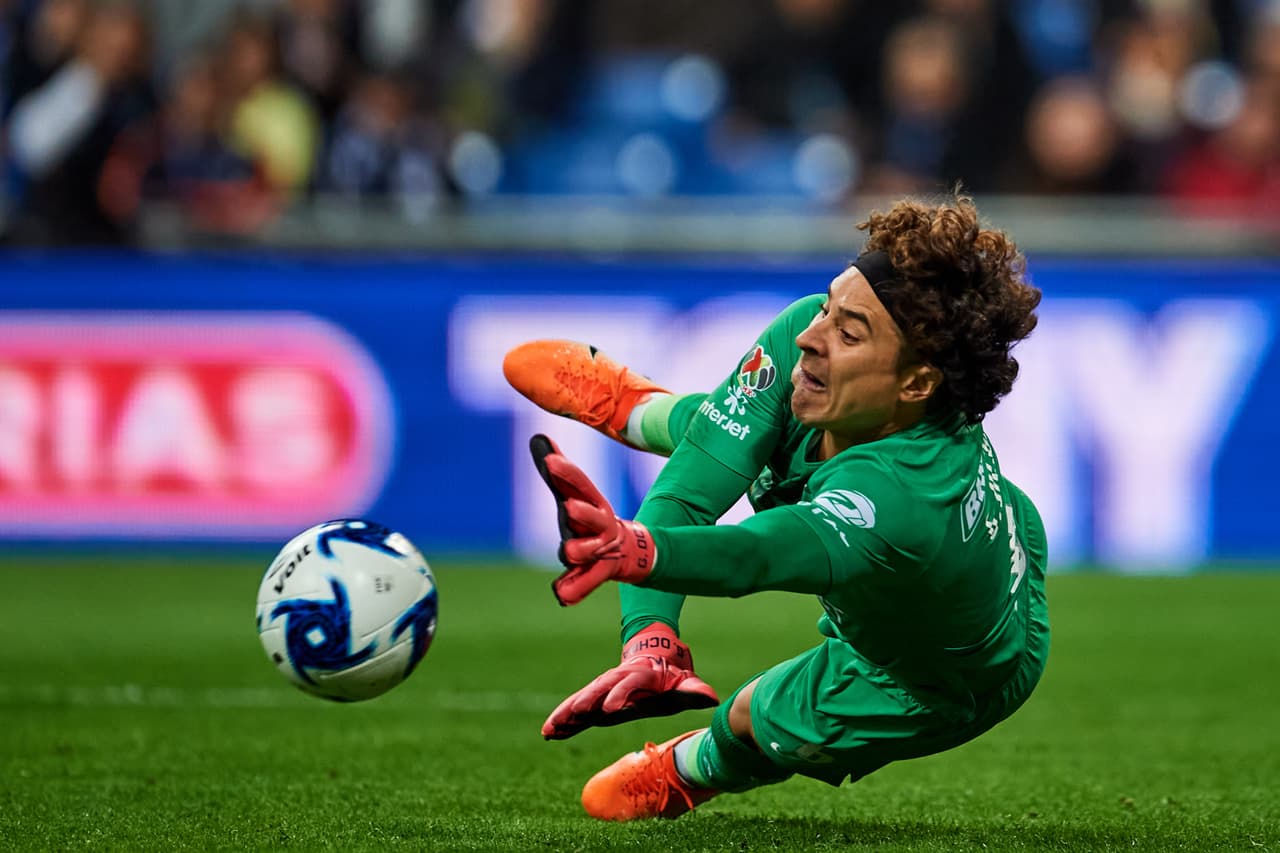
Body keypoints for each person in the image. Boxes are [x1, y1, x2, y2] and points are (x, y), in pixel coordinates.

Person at [505, 194, 1048, 821]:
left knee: (749, 717)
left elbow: (758, 553)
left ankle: (686, 770)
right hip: (989, 532)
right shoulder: (809, 339)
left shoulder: (901, 497)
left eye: (848, 333)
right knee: (767, 425)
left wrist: (640, 552)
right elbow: (688, 494)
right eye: (828, 306)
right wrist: (649, 640)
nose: (811, 336)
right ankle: (644, 409)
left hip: (940, 678)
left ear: (916, 383)